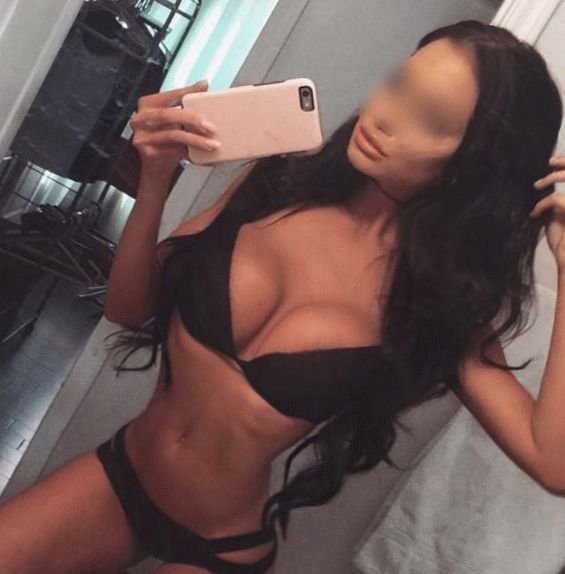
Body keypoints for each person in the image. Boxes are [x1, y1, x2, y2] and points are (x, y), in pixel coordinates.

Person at [0, 19, 564, 574]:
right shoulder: (280, 183)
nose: (385, 116)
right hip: (123, 475)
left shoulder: (438, 305)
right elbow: (127, 308)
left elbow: (552, 463)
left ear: (473, 168)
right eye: (399, 84)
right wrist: (154, 182)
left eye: (431, 118)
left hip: (218, 548)